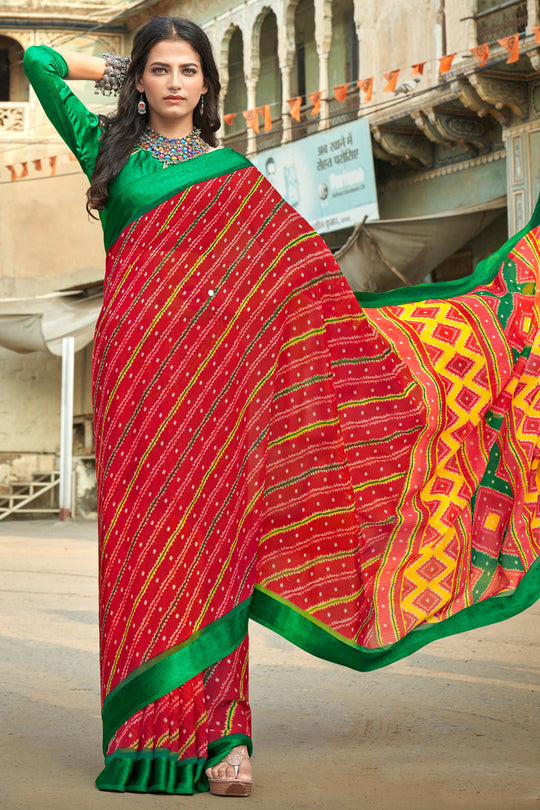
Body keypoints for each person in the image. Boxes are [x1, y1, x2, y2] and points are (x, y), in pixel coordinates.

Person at [24, 15, 540, 798]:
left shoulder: (234, 174)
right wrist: (124, 67)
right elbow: (37, 60)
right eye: (160, 70)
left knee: (220, 545)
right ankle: (149, 736)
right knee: (144, 552)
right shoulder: (109, 152)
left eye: (187, 71)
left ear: (207, 85)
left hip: (218, 389)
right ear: (140, 82)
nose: (173, 83)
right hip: (137, 383)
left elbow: (302, 285)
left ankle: (227, 737)